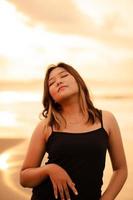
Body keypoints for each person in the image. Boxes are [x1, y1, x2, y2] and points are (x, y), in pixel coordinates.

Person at [20, 62, 128, 200]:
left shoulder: (106, 120)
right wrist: (50, 169)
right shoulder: (46, 126)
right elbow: (24, 178)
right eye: (52, 83)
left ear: (78, 81)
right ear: (51, 96)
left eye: (64, 75)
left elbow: (121, 170)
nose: (58, 81)